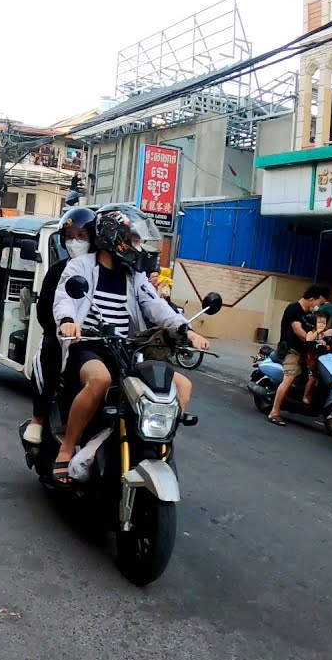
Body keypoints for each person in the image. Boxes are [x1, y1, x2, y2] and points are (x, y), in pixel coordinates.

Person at [52, 207, 209, 483]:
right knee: (100, 380)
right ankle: (67, 447)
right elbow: (65, 298)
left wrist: (187, 330)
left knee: (182, 385)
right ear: (115, 237)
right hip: (88, 343)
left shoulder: (134, 276)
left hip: (125, 349)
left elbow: (157, 306)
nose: (138, 246)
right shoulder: (80, 267)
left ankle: (158, 443)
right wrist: (67, 321)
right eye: (134, 239)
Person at [23, 207, 95, 445]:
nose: (75, 241)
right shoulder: (58, 270)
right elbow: (46, 308)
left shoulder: (104, 270)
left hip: (97, 340)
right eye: (70, 236)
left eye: (81, 236)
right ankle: (38, 418)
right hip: (62, 335)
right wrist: (63, 326)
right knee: (49, 355)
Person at [268, 285, 330, 426]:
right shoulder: (294, 309)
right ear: (312, 299)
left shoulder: (312, 314)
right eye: (319, 302)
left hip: (306, 352)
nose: (319, 306)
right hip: (291, 350)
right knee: (289, 378)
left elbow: (319, 331)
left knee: (315, 375)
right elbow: (298, 330)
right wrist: (312, 338)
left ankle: (304, 401)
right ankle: (274, 412)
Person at [302, 313, 332, 404]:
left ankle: (313, 396)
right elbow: (308, 339)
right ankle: (305, 396)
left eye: (324, 323)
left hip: (322, 360)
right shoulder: (312, 332)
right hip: (312, 359)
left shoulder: (325, 335)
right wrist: (317, 333)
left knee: (319, 379)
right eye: (319, 322)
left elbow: (329, 346)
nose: (322, 325)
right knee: (312, 378)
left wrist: (326, 345)